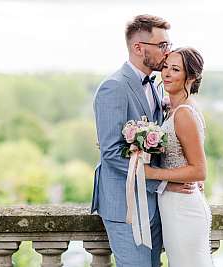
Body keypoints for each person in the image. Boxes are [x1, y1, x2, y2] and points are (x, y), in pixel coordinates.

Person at [91, 14, 195, 267]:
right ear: (138, 48)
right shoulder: (113, 87)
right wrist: (165, 183)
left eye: (168, 45)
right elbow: (113, 154)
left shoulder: (158, 87)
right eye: (162, 46)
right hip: (125, 206)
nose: (167, 52)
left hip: (156, 205)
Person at [145, 47, 214, 267]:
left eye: (175, 69)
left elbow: (199, 170)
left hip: (184, 208)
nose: (166, 74)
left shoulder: (184, 114)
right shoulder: (171, 109)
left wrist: (154, 174)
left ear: (191, 77)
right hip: (173, 204)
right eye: (165, 67)